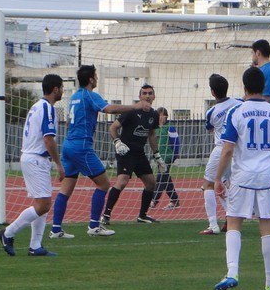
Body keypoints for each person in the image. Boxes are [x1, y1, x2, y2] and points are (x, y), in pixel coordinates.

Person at [212, 67, 270, 290]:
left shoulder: (237, 111)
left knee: (234, 221)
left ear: (244, 87)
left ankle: (232, 272)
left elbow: (227, 150)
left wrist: (218, 178)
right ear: (263, 86)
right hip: (267, 177)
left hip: (242, 177)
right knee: (267, 227)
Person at [50, 65, 151, 239]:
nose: (96, 79)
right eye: (95, 76)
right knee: (104, 184)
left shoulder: (74, 97)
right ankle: (94, 225)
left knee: (66, 189)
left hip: (68, 144)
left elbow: (68, 122)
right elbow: (109, 109)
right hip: (81, 146)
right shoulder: (90, 95)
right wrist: (136, 106)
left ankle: (56, 229)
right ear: (90, 79)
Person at [0, 74, 65, 257]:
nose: (62, 91)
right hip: (36, 158)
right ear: (55, 89)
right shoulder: (47, 108)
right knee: (43, 205)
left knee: (42, 202)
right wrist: (59, 164)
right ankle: (8, 233)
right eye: (61, 88)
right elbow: (48, 140)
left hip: (32, 157)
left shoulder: (36, 106)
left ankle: (35, 246)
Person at [102, 84, 161, 225]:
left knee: (151, 183)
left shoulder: (154, 114)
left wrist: (157, 155)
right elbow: (113, 128)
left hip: (139, 153)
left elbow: (152, 135)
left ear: (154, 96)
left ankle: (142, 216)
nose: (147, 96)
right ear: (140, 96)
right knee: (122, 181)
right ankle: (106, 215)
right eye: (144, 93)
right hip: (125, 152)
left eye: (150, 93)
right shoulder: (131, 111)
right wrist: (117, 142)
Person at [200, 74, 242, 235]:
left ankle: (213, 225)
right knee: (224, 183)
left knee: (209, 184)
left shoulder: (212, 112)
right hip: (238, 149)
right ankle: (232, 216)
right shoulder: (239, 103)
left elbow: (210, 128)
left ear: (212, 92)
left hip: (222, 149)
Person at [151, 107, 180, 210]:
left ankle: (154, 200)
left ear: (166, 116)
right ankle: (175, 200)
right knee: (166, 179)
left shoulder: (170, 127)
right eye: (158, 115)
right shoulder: (155, 128)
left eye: (162, 115)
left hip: (167, 157)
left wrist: (174, 156)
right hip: (159, 157)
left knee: (161, 178)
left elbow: (176, 143)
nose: (160, 118)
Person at [251, 39, 270, 105]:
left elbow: (266, 99)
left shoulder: (268, 72)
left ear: (258, 53)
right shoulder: (263, 70)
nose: (252, 56)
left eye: (252, 52)